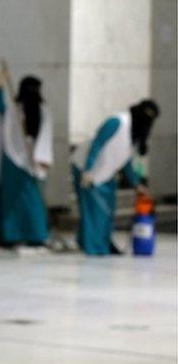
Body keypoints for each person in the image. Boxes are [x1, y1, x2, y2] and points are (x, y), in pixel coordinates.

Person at [71, 99, 159, 255]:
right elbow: (97, 144)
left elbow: (127, 162)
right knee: (94, 210)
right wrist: (88, 171)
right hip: (85, 168)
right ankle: (94, 247)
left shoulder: (135, 134)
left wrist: (136, 184)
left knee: (108, 209)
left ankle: (100, 242)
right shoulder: (117, 122)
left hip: (105, 172)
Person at [0, 71, 53, 247]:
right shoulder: (18, 110)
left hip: (16, 161)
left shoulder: (15, 109)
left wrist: (0, 83)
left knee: (17, 201)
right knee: (30, 200)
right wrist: (42, 158)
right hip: (31, 162)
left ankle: (14, 235)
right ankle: (34, 234)